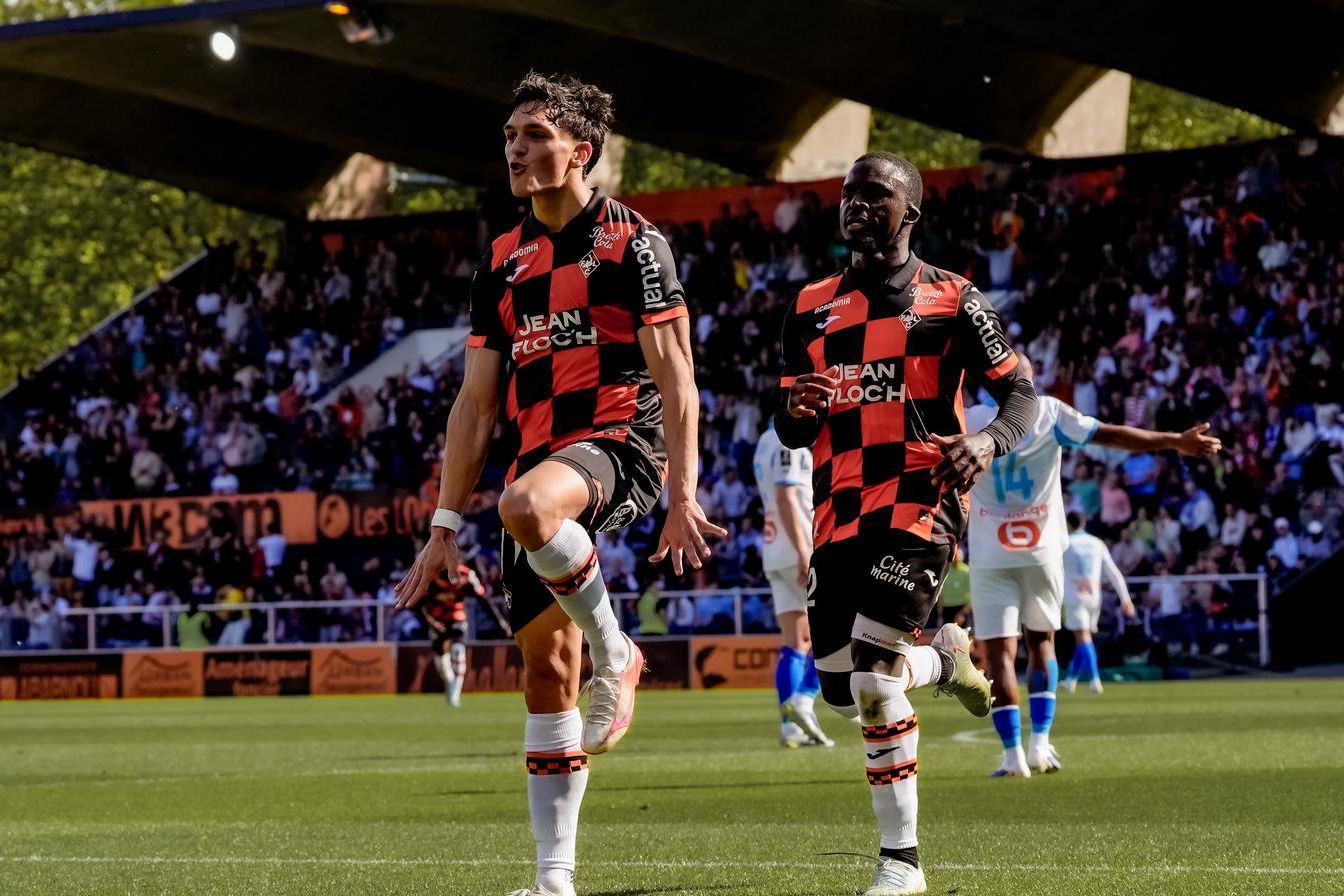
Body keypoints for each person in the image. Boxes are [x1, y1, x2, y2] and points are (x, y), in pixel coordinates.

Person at [392, 72, 722, 896]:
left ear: (581, 150)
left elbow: (677, 375)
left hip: (620, 440)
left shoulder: (634, 245)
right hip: (540, 455)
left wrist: (684, 489)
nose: (516, 147)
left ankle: (621, 650)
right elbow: (474, 405)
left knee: (527, 505)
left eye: (534, 134)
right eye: (510, 135)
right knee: (546, 674)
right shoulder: (502, 262)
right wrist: (440, 525)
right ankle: (554, 879)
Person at [775, 152, 1038, 896]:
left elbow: (1022, 395)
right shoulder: (809, 306)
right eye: (847, 196)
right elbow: (793, 426)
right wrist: (792, 413)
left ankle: (902, 863)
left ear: (909, 213)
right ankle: (945, 660)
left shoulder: (954, 298)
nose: (855, 206)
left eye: (874, 195)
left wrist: (987, 441)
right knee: (836, 686)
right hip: (839, 510)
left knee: (871, 676)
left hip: (920, 504)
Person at [964, 395, 1220, 778]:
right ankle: (1040, 744)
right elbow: (1112, 436)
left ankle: (1012, 755)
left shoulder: (968, 417)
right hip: (1041, 549)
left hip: (989, 553)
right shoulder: (1046, 411)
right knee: (1042, 643)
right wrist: (1174, 440)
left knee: (1000, 655)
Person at [752, 418, 831, 749]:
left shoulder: (763, 442)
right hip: (798, 548)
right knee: (840, 632)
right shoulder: (789, 442)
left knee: (794, 642)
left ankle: (790, 727)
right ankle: (805, 700)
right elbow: (786, 496)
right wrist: (804, 552)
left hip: (773, 550)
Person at [1059, 513, 1135, 694]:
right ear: (1083, 522)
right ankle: (1071, 680)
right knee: (1084, 639)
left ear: (1068, 525)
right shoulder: (1096, 543)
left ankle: (1095, 679)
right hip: (1093, 597)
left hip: (1073, 596)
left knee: (1083, 638)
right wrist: (1125, 598)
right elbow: (1113, 572)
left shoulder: (1064, 543)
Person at [421, 562, 484, 707]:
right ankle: (450, 684)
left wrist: (501, 622)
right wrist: (432, 623)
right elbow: (419, 605)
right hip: (437, 621)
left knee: (457, 650)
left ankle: (455, 693)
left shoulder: (466, 574)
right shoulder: (430, 575)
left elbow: (482, 596)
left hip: (457, 617)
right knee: (442, 665)